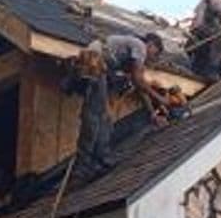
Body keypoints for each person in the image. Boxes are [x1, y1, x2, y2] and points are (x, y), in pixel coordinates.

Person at [67, 32, 168, 180]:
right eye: (155, 53)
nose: (152, 58)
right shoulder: (140, 46)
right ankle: (84, 166)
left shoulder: (129, 53)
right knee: (95, 118)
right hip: (94, 65)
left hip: (96, 68)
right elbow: (138, 80)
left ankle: (100, 161)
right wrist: (160, 98)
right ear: (151, 45)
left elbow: (139, 87)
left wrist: (152, 114)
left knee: (105, 119)